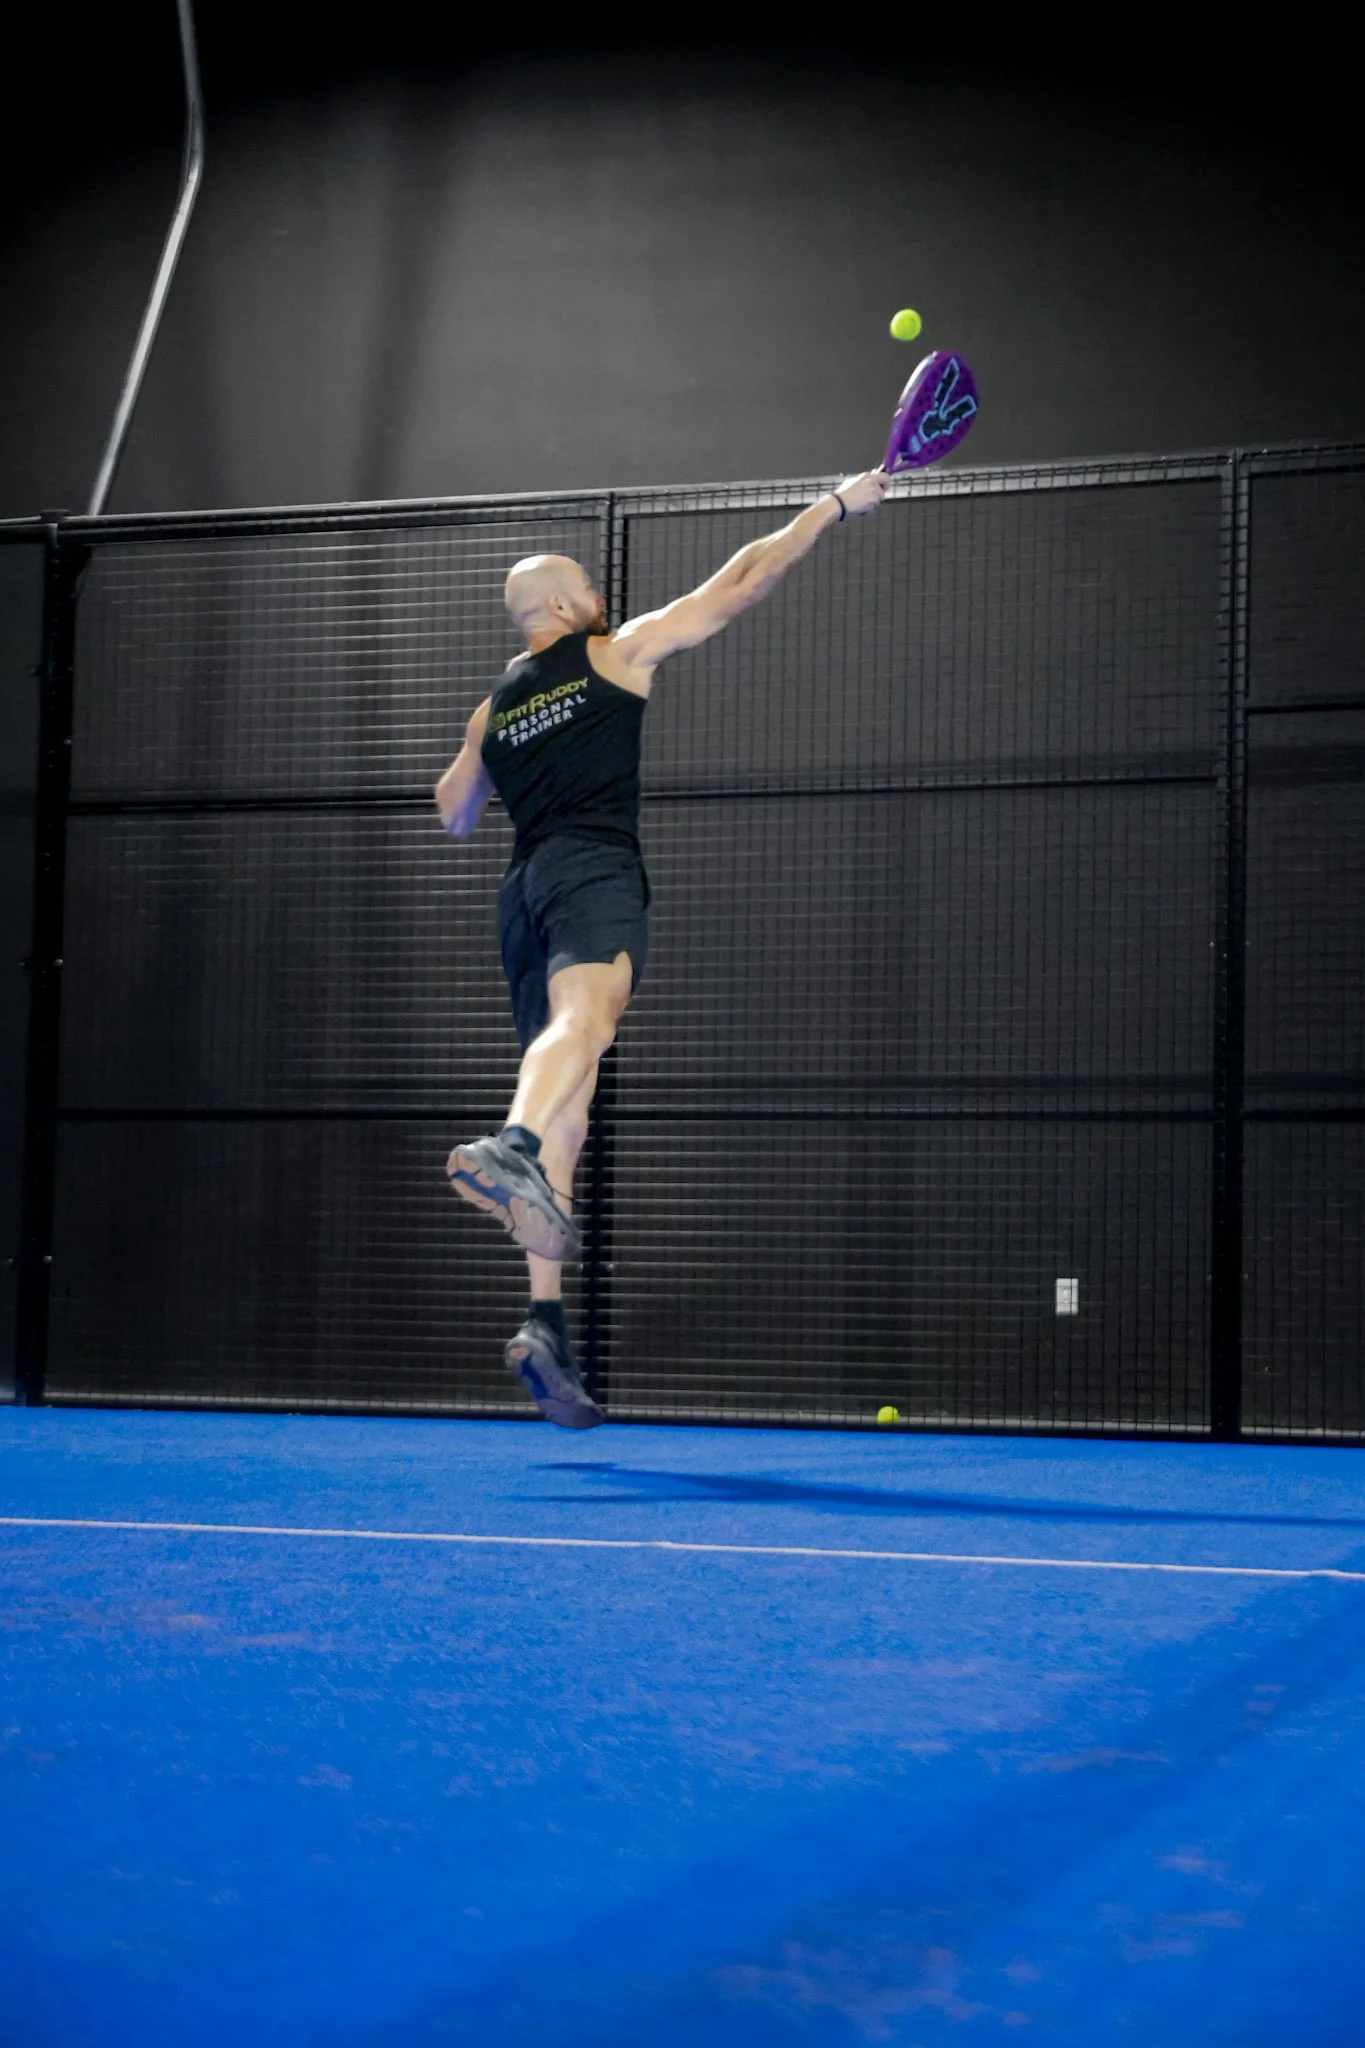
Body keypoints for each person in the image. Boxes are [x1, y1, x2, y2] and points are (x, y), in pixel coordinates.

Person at [435, 468, 890, 1427]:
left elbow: (453, 813)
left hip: (522, 891)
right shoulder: (612, 652)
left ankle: (544, 1321)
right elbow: (740, 583)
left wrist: (502, 756)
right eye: (589, 591)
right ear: (563, 606)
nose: (601, 600)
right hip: (594, 866)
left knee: (572, 1095)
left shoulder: (493, 707)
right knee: (582, 1025)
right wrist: (834, 506)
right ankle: (503, 1145)